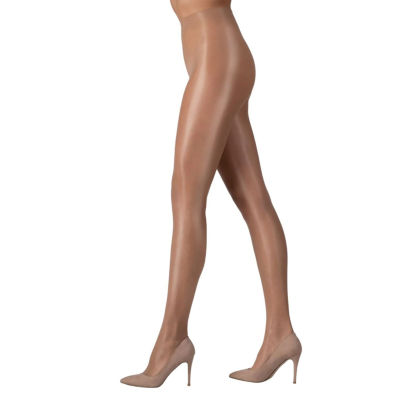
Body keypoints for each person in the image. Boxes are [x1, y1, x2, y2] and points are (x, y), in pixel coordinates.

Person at [121, 0, 301, 387]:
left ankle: (172, 339)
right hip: (218, 54)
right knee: (253, 199)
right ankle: (280, 334)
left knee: (186, 196)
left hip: (216, 57)